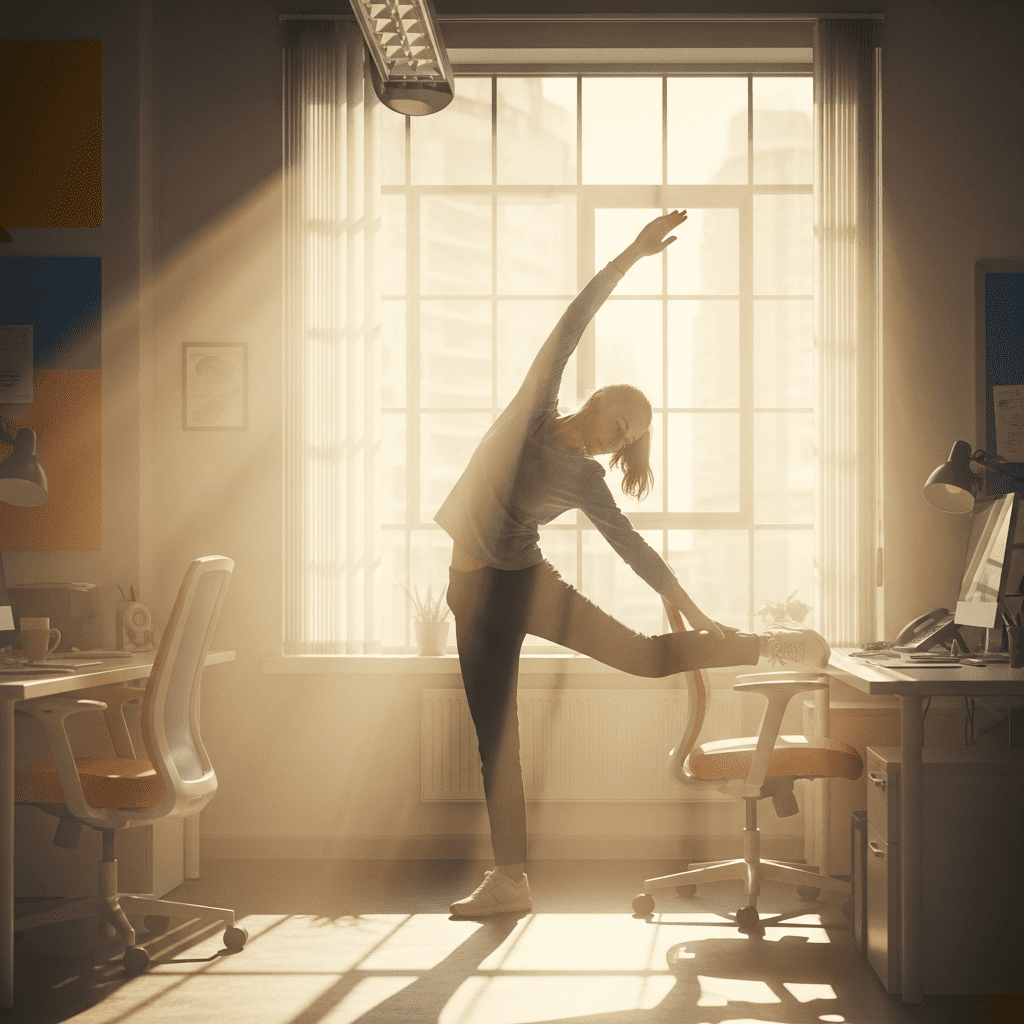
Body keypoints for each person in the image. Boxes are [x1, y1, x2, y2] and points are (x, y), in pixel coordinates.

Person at [434, 211, 830, 918]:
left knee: (645, 658)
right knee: (497, 739)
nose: (619, 438)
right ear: (599, 401)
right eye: (623, 423)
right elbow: (570, 323)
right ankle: (512, 881)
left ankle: (765, 645)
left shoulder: (586, 480)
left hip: (524, 586)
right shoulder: (533, 412)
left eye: (629, 439)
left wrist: (697, 609)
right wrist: (631, 256)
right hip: (470, 597)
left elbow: (632, 546)